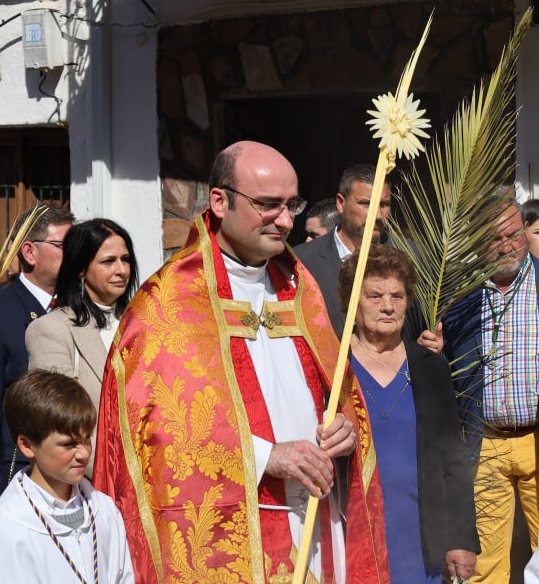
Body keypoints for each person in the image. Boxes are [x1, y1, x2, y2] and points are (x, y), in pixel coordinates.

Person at [96, 141, 389, 583]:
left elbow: (333, 393)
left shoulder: (299, 288)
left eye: (293, 205)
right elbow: (154, 435)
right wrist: (267, 456)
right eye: (268, 205)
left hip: (316, 521)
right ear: (219, 201)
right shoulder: (168, 305)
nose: (287, 221)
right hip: (233, 530)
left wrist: (345, 428)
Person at [341, 245, 477, 583]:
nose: (388, 306)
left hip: (420, 542)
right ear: (352, 302)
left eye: (397, 296)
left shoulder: (430, 367)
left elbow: (453, 460)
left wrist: (461, 539)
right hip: (352, 537)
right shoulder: (335, 367)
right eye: (375, 295)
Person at [440, 199, 539, 582]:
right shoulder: (457, 296)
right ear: (478, 242)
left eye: (514, 234)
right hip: (484, 443)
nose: (506, 245)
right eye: (494, 238)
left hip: (536, 437)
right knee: (485, 565)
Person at [0, 370, 134, 583]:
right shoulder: (4, 533)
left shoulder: (104, 511)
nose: (83, 454)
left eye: (87, 438)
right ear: (27, 445)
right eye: (68, 444)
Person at [25, 218, 137, 477]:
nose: (121, 270)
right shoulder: (51, 330)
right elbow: (60, 422)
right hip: (93, 481)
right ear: (81, 270)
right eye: (108, 262)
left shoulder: (146, 322)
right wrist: (116, 475)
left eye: (126, 259)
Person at [0, 205, 73, 489]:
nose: (74, 254)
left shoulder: (77, 308)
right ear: (30, 252)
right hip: (22, 472)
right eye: (63, 245)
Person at [294, 164, 393, 336]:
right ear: (341, 203)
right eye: (366, 203)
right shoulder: (301, 261)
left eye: (384, 204)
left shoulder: (412, 258)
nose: (377, 215)